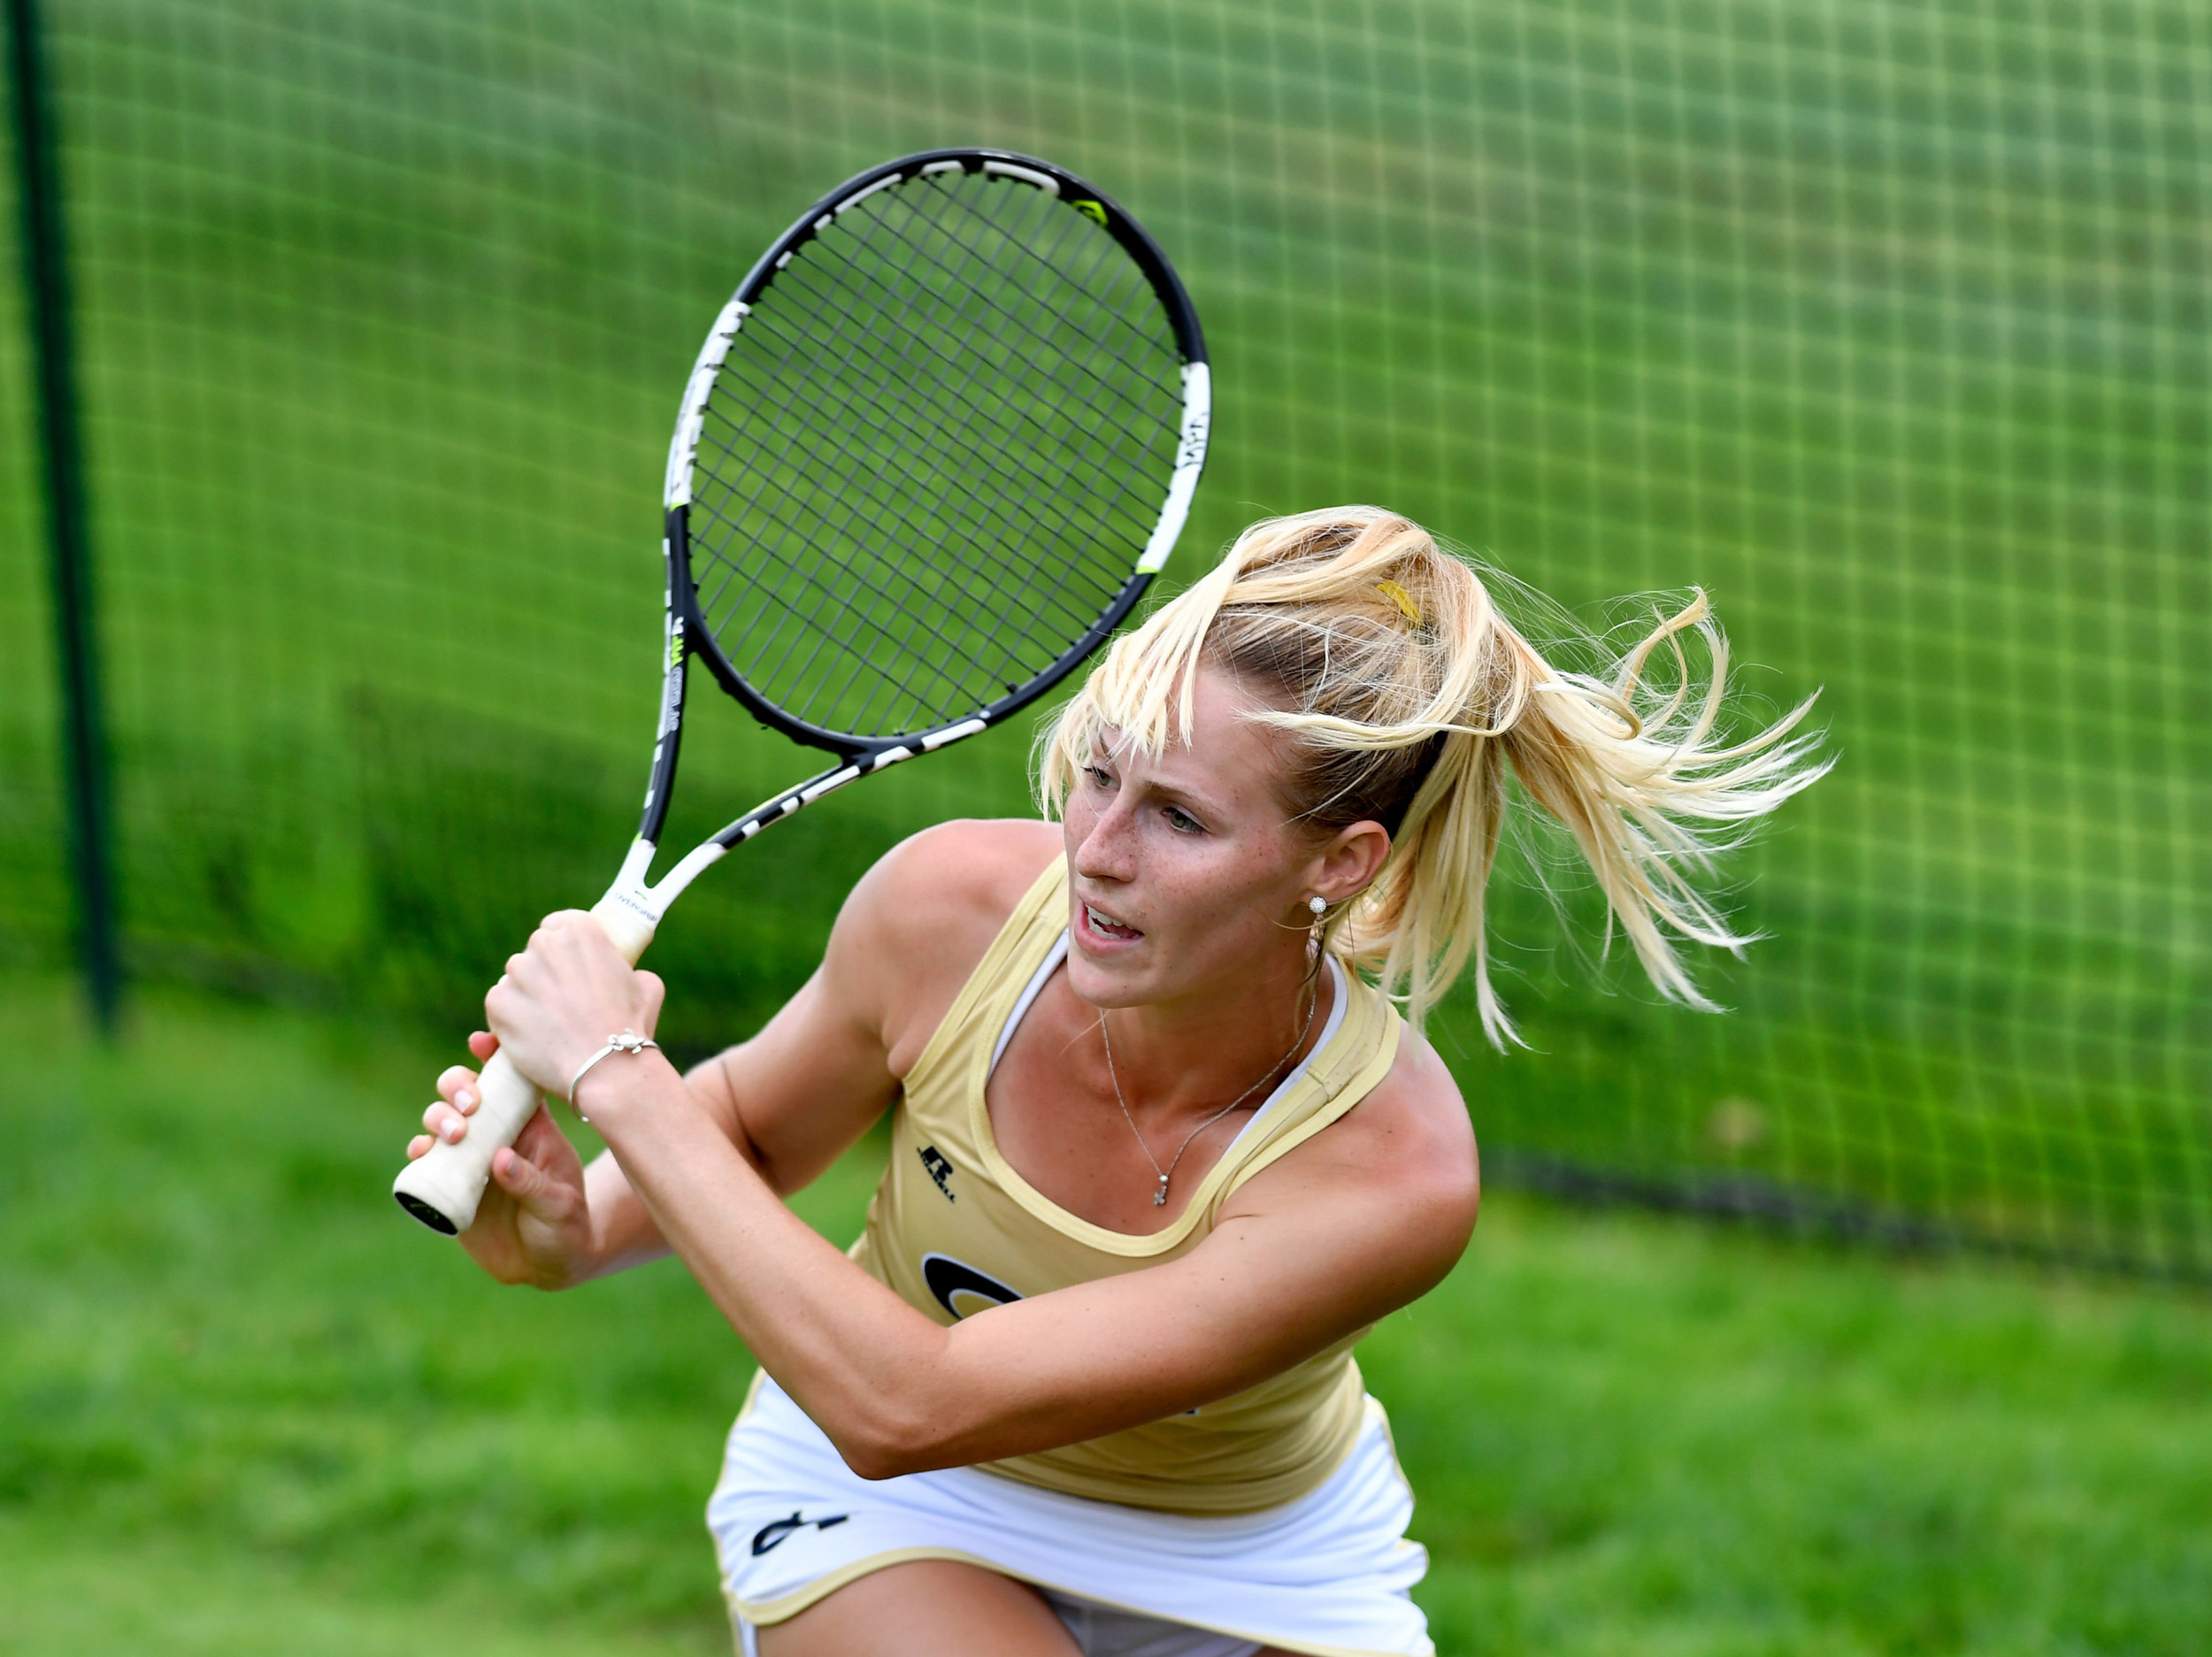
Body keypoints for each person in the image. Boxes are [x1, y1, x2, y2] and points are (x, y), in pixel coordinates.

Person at [406, 507, 1826, 1657]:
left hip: (1258, 1551)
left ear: (1338, 867)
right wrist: (573, 1226)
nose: (1097, 848)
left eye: (1181, 817)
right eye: (1098, 774)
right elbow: (755, 1145)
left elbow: (918, 1391)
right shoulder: (948, 910)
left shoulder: (1390, 1169)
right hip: (893, 1508)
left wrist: (616, 1070)